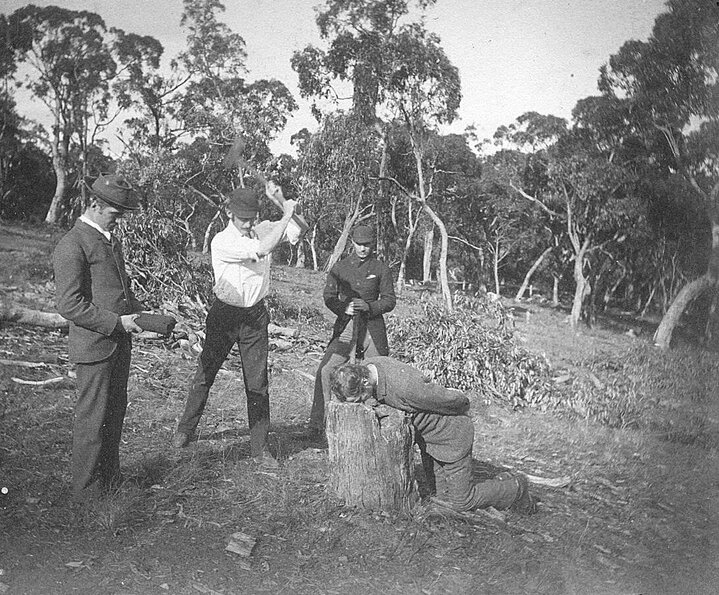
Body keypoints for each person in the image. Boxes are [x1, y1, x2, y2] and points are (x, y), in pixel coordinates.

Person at [172, 184, 299, 468]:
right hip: (225, 315)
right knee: (206, 372)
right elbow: (265, 248)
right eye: (243, 218)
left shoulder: (262, 228)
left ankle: (260, 447)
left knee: (258, 384)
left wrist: (279, 202)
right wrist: (287, 212)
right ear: (229, 213)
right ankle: (185, 430)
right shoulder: (222, 241)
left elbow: (295, 231)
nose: (249, 223)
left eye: (253, 216)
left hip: (254, 317)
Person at [330, 356, 536, 514]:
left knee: (462, 502)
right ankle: (502, 481)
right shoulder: (369, 367)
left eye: (359, 398)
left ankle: (516, 487)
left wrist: (462, 401)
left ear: (365, 382)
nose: (360, 404)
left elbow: (450, 400)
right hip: (430, 443)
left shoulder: (406, 387)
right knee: (440, 498)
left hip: (452, 438)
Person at [53, 174, 145, 501]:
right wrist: (116, 322)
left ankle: (109, 479)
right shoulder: (72, 243)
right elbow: (68, 303)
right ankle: (86, 493)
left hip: (117, 342)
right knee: (92, 421)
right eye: (114, 214)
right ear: (94, 204)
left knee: (114, 413)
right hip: (93, 346)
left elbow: (117, 290)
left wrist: (145, 316)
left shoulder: (108, 239)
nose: (117, 221)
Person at [307, 225, 396, 437]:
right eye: (359, 244)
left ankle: (378, 425)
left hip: (372, 329)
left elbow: (390, 300)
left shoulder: (381, 268)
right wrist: (342, 308)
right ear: (352, 243)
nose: (363, 249)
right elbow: (329, 296)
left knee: (377, 374)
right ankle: (318, 424)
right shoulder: (340, 268)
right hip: (347, 328)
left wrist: (371, 307)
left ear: (372, 245)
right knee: (326, 370)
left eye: (367, 245)